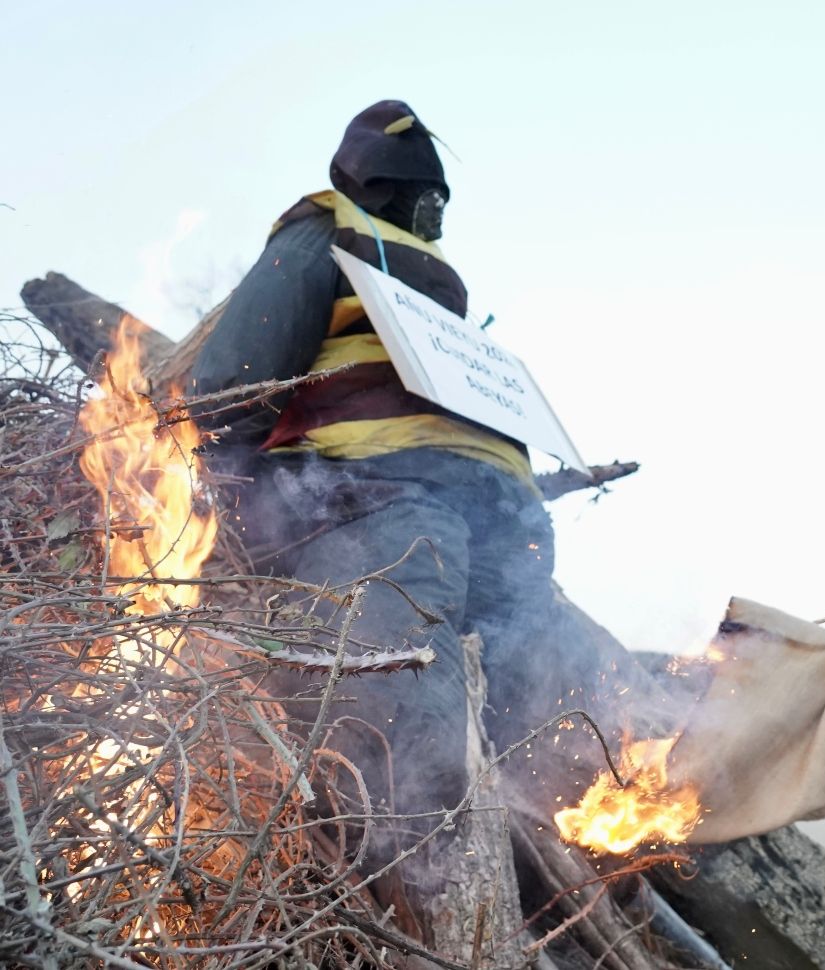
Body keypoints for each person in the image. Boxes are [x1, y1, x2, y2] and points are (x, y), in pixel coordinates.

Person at [190, 101, 593, 897]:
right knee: (494, 730)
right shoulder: (424, 282)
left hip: (382, 506)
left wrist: (230, 500)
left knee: (407, 757)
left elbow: (227, 385)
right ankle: (496, 903)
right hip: (505, 520)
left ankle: (442, 915)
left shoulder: (325, 232)